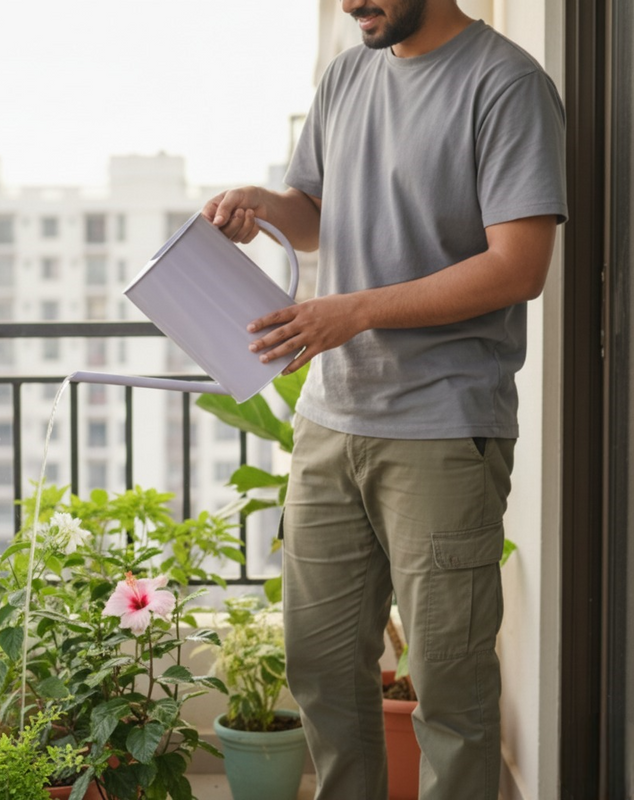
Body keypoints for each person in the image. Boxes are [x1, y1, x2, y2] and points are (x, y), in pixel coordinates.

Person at [201, 0, 567, 798]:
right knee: (324, 674)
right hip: (331, 422)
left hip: (442, 427)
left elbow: (519, 266)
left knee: (451, 689)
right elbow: (315, 216)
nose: (348, 4)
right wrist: (266, 206)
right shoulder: (348, 76)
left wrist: (356, 310)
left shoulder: (506, 85)